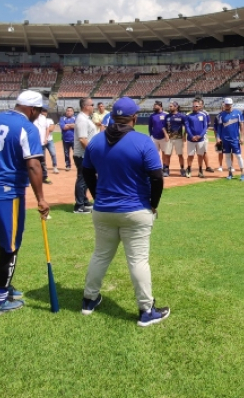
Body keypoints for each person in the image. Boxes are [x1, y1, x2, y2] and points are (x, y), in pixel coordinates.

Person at [80, 97, 169, 326]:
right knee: (138, 261)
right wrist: (154, 203)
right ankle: (146, 311)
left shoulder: (96, 141)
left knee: (100, 255)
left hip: (103, 209)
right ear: (134, 117)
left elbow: (87, 172)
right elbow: (157, 177)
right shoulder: (142, 141)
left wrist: (97, 195)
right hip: (136, 209)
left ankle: (89, 300)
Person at [0, 90, 50, 317]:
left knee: (6, 243)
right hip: (6, 193)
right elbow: (33, 165)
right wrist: (41, 199)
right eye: (39, 111)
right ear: (32, 110)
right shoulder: (27, 128)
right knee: (10, 246)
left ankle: (6, 285)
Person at [73, 98, 98, 214]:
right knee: (82, 179)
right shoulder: (82, 119)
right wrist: (91, 153)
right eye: (92, 105)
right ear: (85, 106)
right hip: (83, 155)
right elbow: (83, 140)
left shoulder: (85, 118)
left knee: (86, 178)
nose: (94, 107)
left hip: (85, 154)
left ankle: (84, 200)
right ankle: (79, 206)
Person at [215, 98, 244, 181]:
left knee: (238, 156)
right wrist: (218, 138)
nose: (227, 106)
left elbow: (242, 126)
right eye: (226, 104)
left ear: (232, 104)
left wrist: (242, 137)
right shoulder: (221, 115)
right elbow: (219, 128)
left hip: (235, 139)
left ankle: (243, 173)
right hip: (225, 140)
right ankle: (230, 173)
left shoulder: (238, 113)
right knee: (227, 156)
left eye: (228, 104)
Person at [185, 98, 210, 178]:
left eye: (196, 106)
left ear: (199, 106)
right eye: (193, 106)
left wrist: (200, 136)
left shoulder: (203, 115)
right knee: (190, 155)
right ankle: (188, 169)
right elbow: (187, 127)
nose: (194, 107)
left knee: (200, 155)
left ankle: (200, 170)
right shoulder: (188, 115)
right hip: (190, 139)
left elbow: (205, 127)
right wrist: (192, 136)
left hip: (201, 139)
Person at [164, 101, 187, 177]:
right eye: (169, 106)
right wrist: (166, 135)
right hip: (169, 139)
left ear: (176, 107)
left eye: (171, 106)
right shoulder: (167, 116)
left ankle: (182, 169)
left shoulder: (181, 116)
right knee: (167, 154)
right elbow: (163, 127)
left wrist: (184, 135)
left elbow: (186, 126)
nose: (169, 107)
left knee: (180, 154)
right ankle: (166, 170)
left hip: (178, 138)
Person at [33, 107, 52, 185]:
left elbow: (47, 128)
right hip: (33, 143)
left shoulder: (43, 118)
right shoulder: (31, 118)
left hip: (42, 143)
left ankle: (44, 176)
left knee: (42, 161)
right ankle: (30, 178)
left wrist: (46, 138)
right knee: (31, 160)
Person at [42, 109, 59, 174]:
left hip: (49, 140)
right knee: (43, 156)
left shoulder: (49, 120)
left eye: (45, 112)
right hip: (41, 141)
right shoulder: (38, 121)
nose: (44, 113)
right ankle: (44, 168)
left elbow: (51, 129)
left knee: (53, 154)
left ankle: (55, 167)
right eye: (42, 112)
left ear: (47, 113)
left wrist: (46, 129)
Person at [60, 107, 76, 171]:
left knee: (76, 154)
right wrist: (72, 125)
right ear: (66, 112)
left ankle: (78, 165)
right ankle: (68, 165)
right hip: (65, 139)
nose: (69, 112)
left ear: (73, 112)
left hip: (74, 139)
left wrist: (67, 125)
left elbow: (76, 126)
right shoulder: (62, 118)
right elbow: (63, 127)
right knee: (66, 153)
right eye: (67, 111)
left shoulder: (76, 118)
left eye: (70, 111)